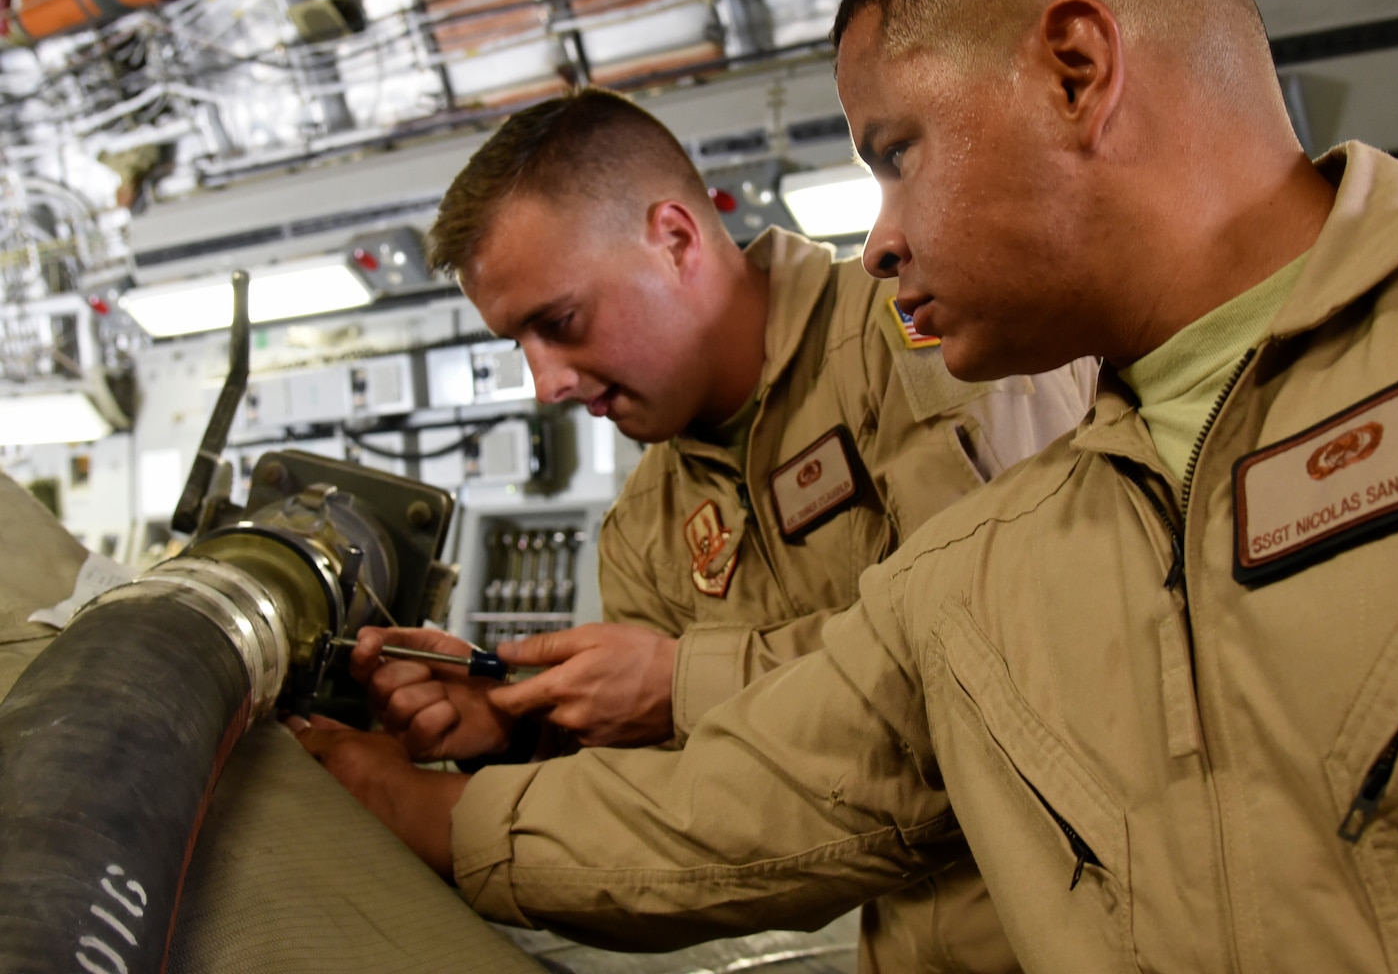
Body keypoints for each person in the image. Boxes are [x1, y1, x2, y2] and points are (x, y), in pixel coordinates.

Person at [295, 0, 1398, 969]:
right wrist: (474, 776)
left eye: (895, 155)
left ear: (1077, 70)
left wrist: (669, 688)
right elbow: (761, 795)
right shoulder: (1003, 562)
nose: (876, 243)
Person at [304, 87, 1092, 972]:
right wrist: (521, 724)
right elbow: (700, 792)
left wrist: (678, 680)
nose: (545, 385)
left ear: (675, 238)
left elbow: (1003, 676)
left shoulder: (920, 339)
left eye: (559, 324)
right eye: (516, 343)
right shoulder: (646, 525)